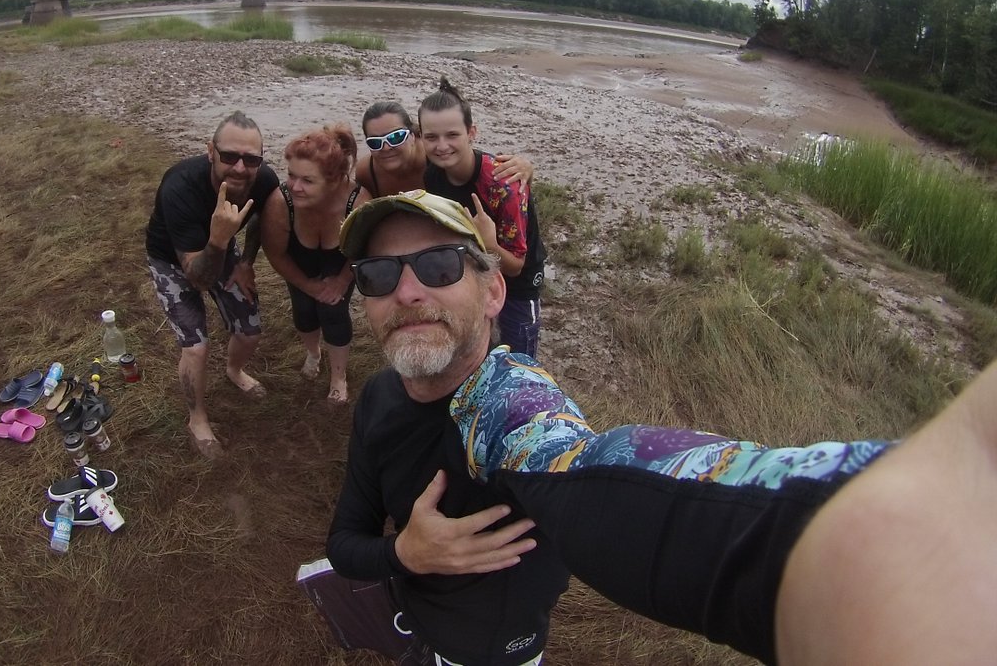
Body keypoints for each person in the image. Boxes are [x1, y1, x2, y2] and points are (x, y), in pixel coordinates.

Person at [303, 190, 997, 665]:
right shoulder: (378, 398)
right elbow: (346, 539)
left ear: (492, 291)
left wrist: (836, 538)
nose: (407, 290)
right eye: (378, 274)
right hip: (417, 613)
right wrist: (407, 557)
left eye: (436, 264)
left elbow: (594, 470)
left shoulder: (506, 406)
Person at [144, 110, 278, 459]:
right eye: (229, 156)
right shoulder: (180, 186)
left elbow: (263, 215)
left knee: (249, 330)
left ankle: (234, 370)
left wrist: (246, 260)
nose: (239, 167)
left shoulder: (263, 180)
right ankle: (197, 418)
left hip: (223, 247)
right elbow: (197, 279)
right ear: (210, 151)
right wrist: (218, 240)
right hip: (175, 261)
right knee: (196, 346)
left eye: (251, 159)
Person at [419, 78, 547, 356]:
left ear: (471, 133)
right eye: (431, 137)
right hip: (474, 271)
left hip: (517, 283)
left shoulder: (504, 184)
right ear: (421, 137)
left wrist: (489, 242)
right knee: (474, 350)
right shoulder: (432, 173)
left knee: (517, 359)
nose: (442, 146)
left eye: (452, 135)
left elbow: (515, 266)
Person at [261, 124, 371, 404]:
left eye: (307, 181)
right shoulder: (280, 202)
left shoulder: (358, 203)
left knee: (333, 312)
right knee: (304, 311)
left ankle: (339, 375)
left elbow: (363, 250)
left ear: (334, 180)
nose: (294, 187)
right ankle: (313, 353)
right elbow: (276, 255)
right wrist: (307, 285)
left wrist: (342, 281)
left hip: (343, 264)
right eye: (291, 176)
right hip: (299, 263)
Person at [356, 100, 533, 198]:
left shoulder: (437, 157)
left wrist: (526, 169)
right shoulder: (366, 172)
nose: (386, 147)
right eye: (375, 142)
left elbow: (473, 165)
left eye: (395, 137)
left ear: (412, 135)